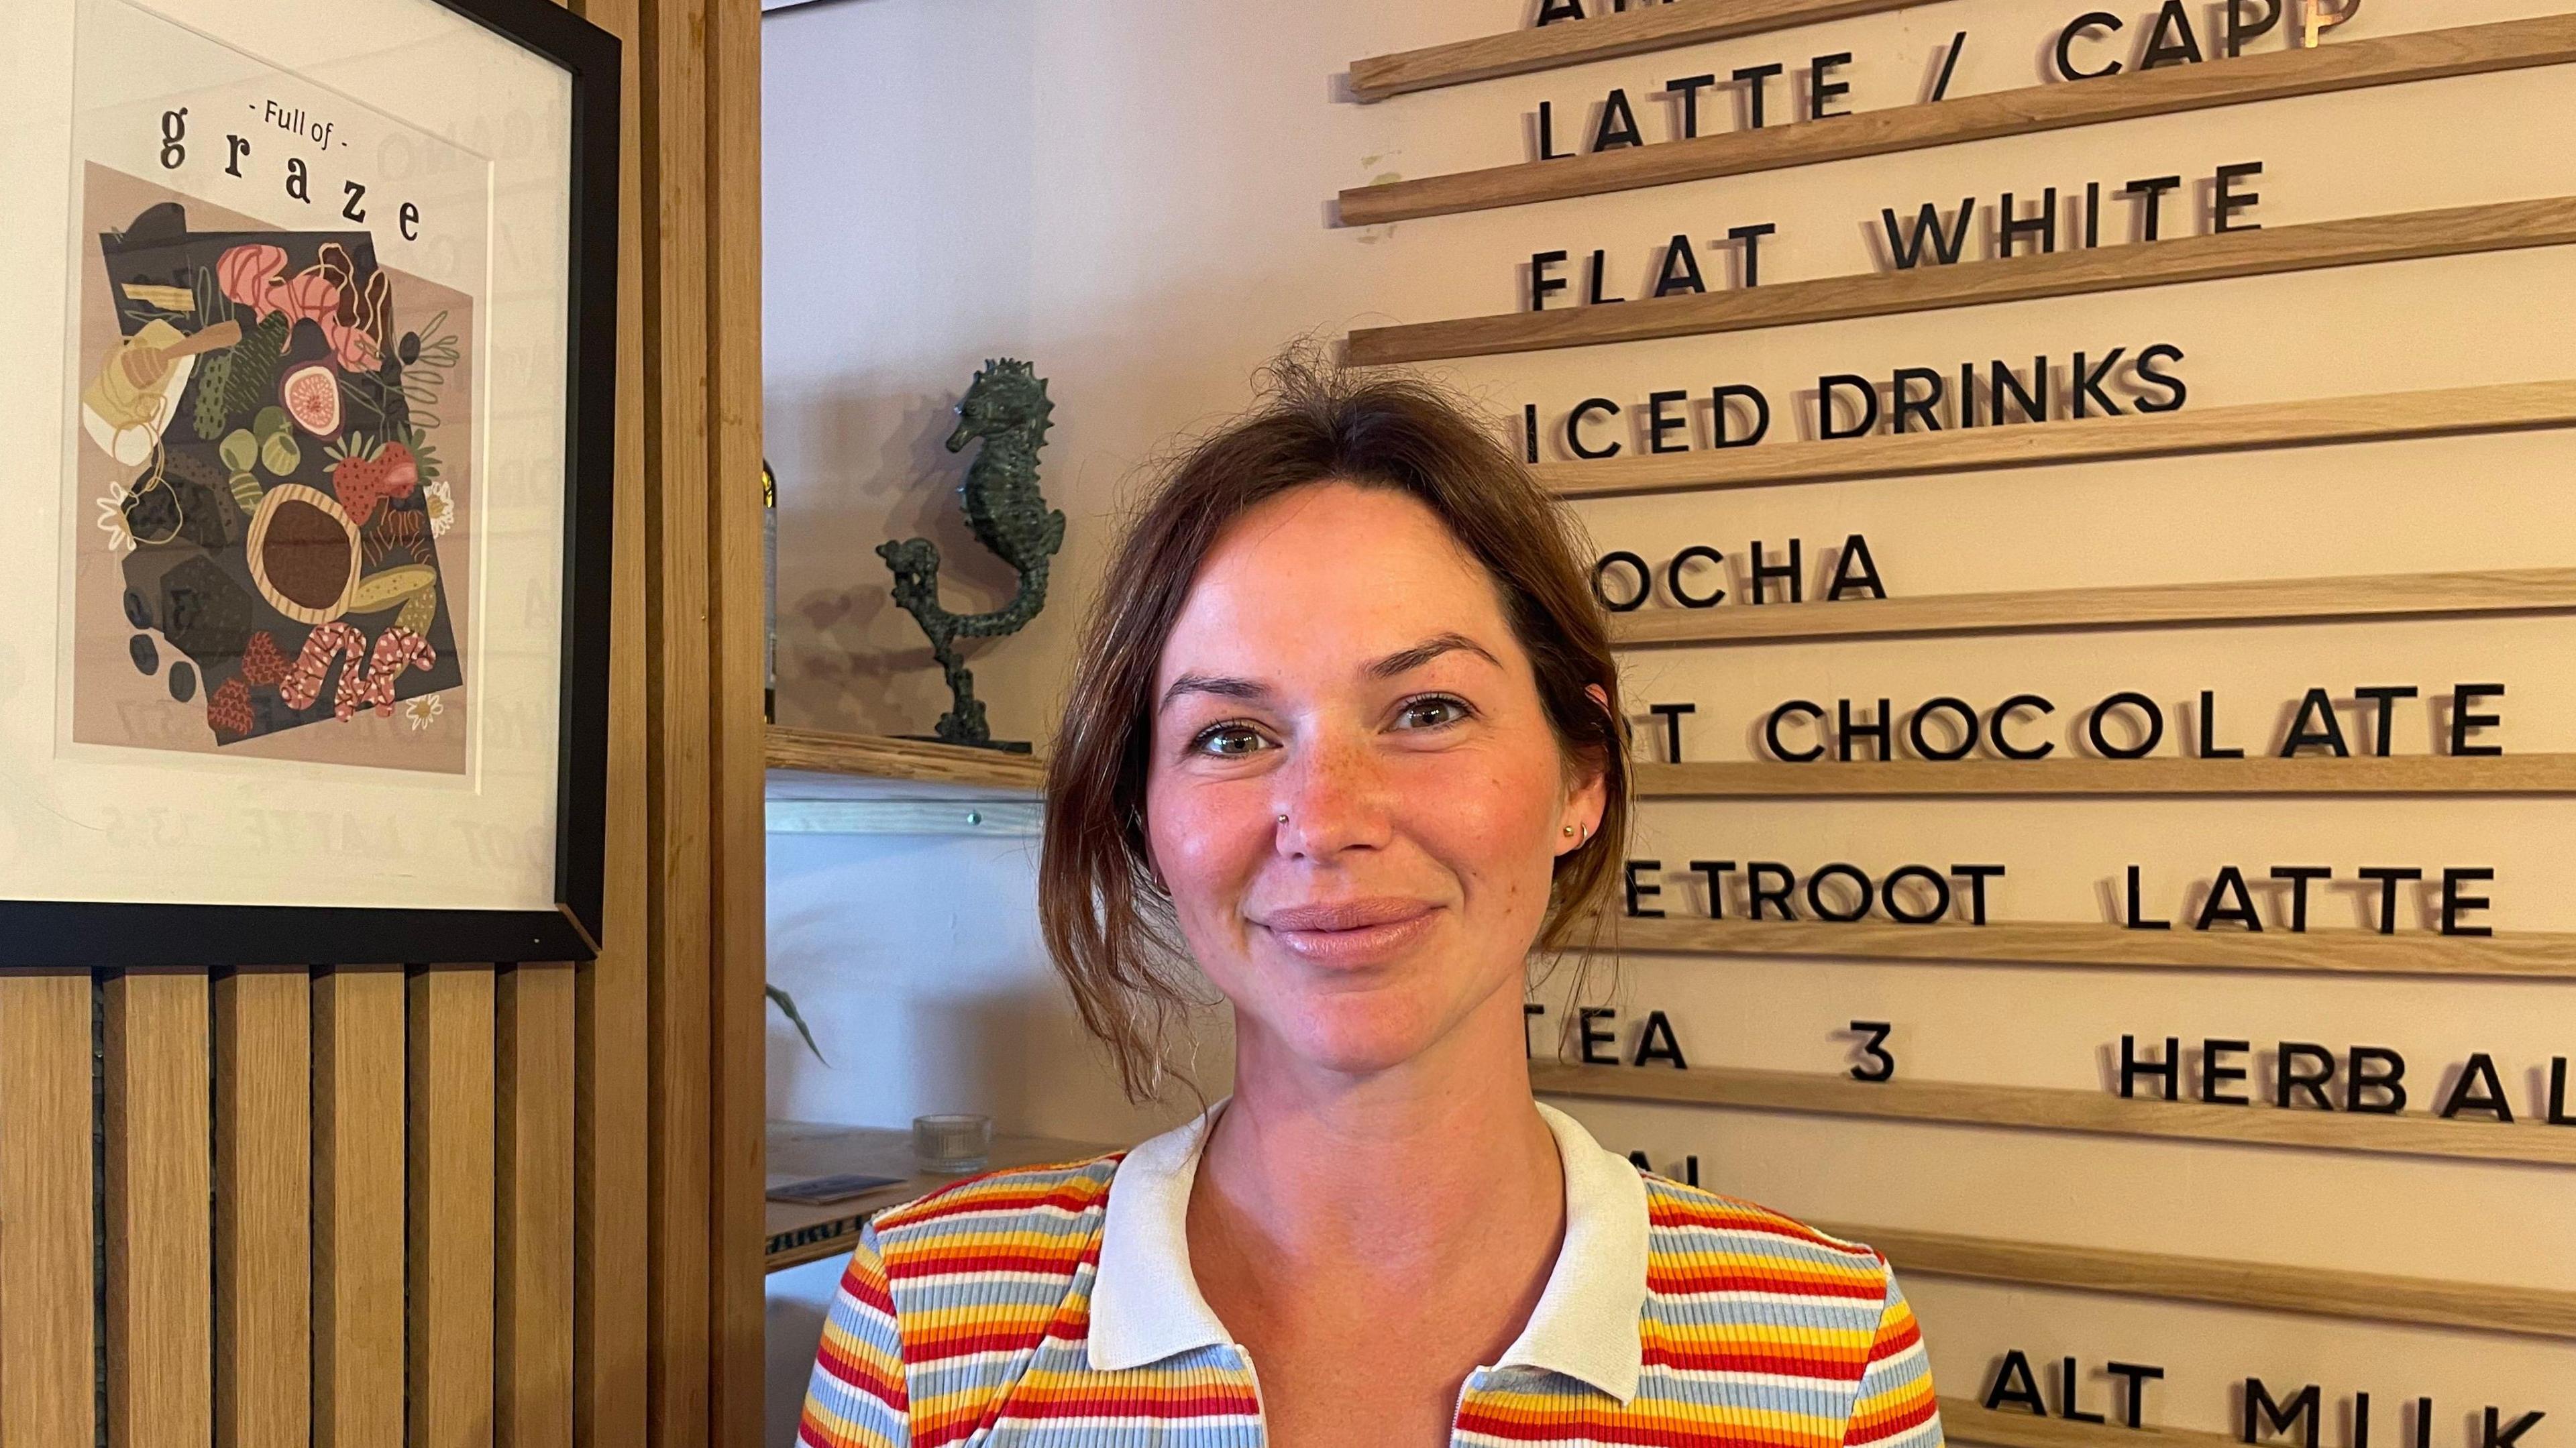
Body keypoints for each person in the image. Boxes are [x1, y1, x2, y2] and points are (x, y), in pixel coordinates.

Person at [798, 357, 1943, 1448]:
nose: (1329, 816)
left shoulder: (1827, 1355)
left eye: (1427, 711)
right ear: (1145, 814)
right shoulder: (925, 1323)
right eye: (1233, 736)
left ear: (1581, 775)